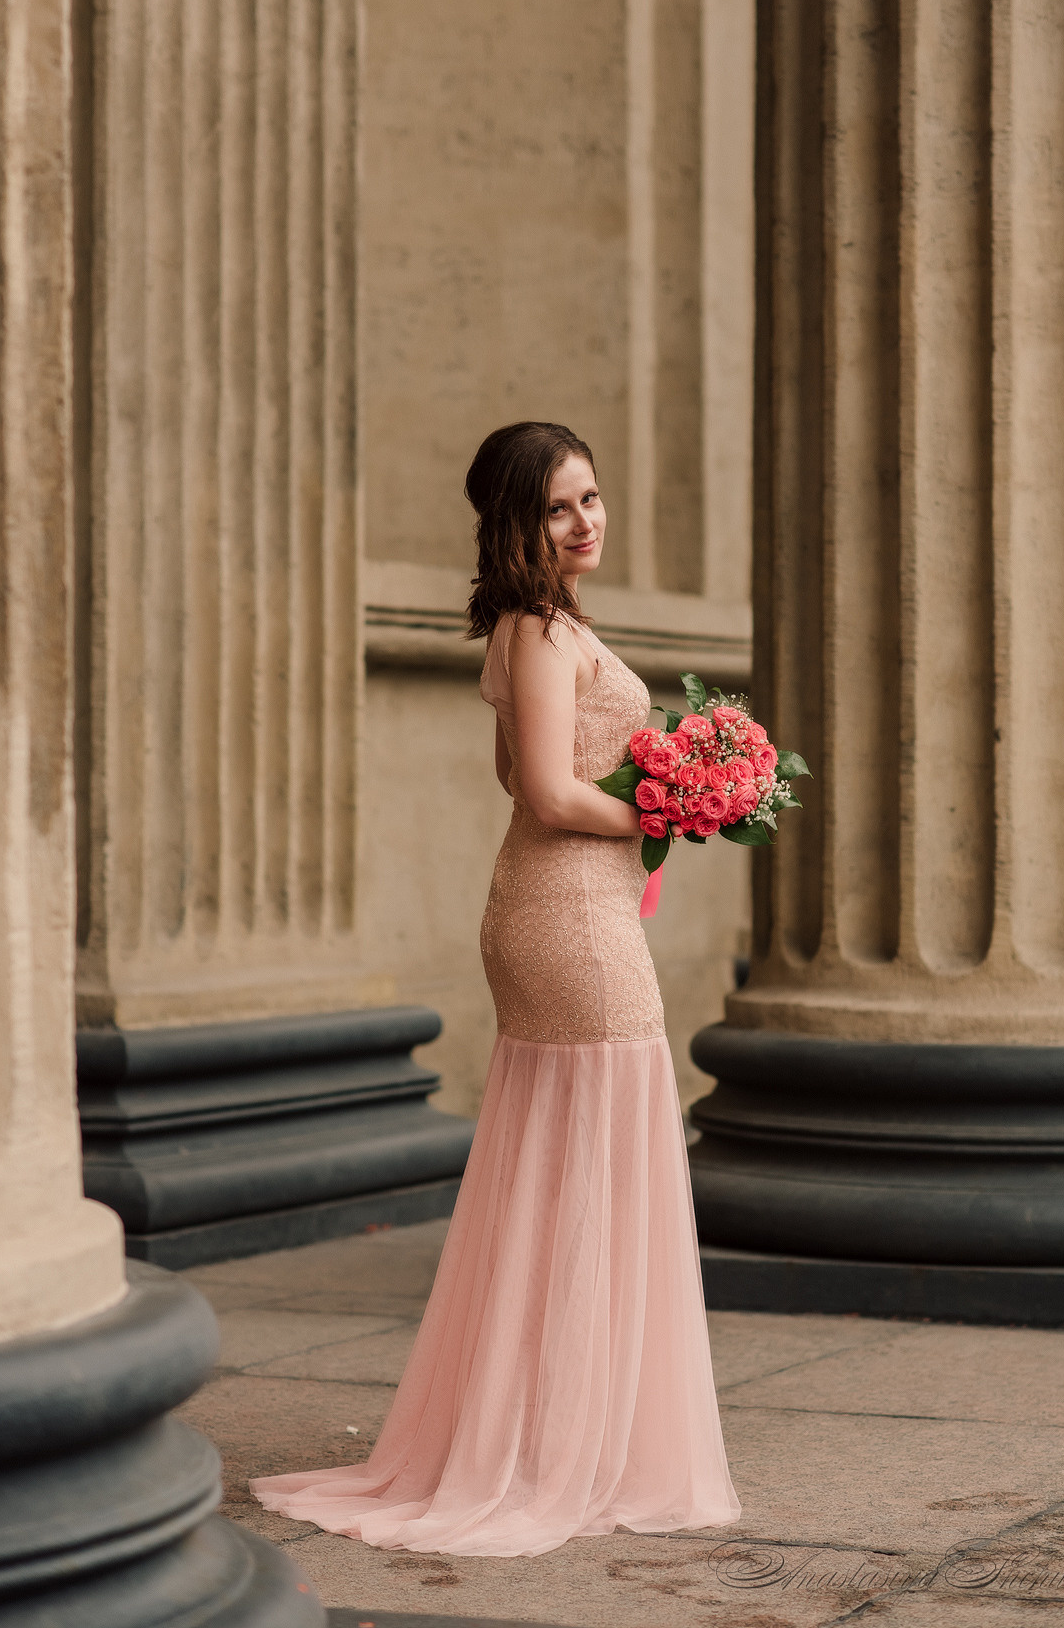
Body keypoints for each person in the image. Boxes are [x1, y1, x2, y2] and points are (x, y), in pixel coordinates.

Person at [250, 421, 740, 1557]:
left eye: (594, 497)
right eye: (562, 506)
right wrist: (675, 812)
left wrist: (662, 806)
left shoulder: (554, 625)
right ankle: (548, 1448)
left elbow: (532, 773)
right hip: (562, 911)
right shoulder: (534, 629)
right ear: (516, 522)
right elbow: (547, 796)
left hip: (575, 907)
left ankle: (571, 1433)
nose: (587, 521)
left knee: (579, 1159)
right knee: (595, 1152)